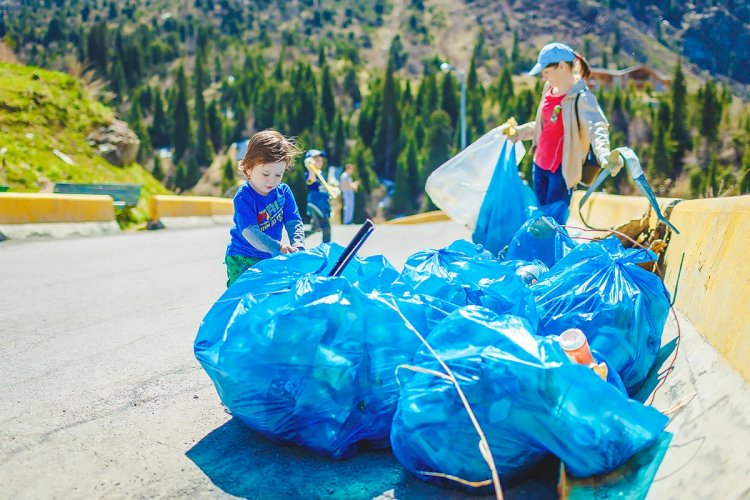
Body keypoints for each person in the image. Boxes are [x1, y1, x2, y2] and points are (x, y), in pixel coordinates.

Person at [505, 42, 623, 224]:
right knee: (539, 221)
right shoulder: (548, 90)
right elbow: (544, 127)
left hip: (561, 171)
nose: (543, 77)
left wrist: (604, 154)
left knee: (552, 223)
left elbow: (597, 127)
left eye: (546, 71)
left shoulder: (582, 98)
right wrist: (520, 132)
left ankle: (551, 252)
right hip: (539, 165)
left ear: (561, 66)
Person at [225, 130, 305, 287]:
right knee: (242, 296)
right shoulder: (244, 197)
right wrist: (278, 247)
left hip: (270, 255)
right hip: (243, 258)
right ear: (248, 168)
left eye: (278, 175)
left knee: (269, 296)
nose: (272, 181)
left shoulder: (284, 192)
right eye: (266, 173)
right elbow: (250, 232)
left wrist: (298, 244)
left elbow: (294, 222)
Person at [304, 149, 332, 243]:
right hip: (315, 203)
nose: (320, 162)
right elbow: (311, 180)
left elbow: (325, 187)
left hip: (323, 203)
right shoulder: (310, 173)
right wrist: (311, 167)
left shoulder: (321, 173)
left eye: (321, 160)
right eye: (317, 160)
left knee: (321, 228)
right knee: (321, 227)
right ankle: (299, 238)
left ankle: (326, 247)